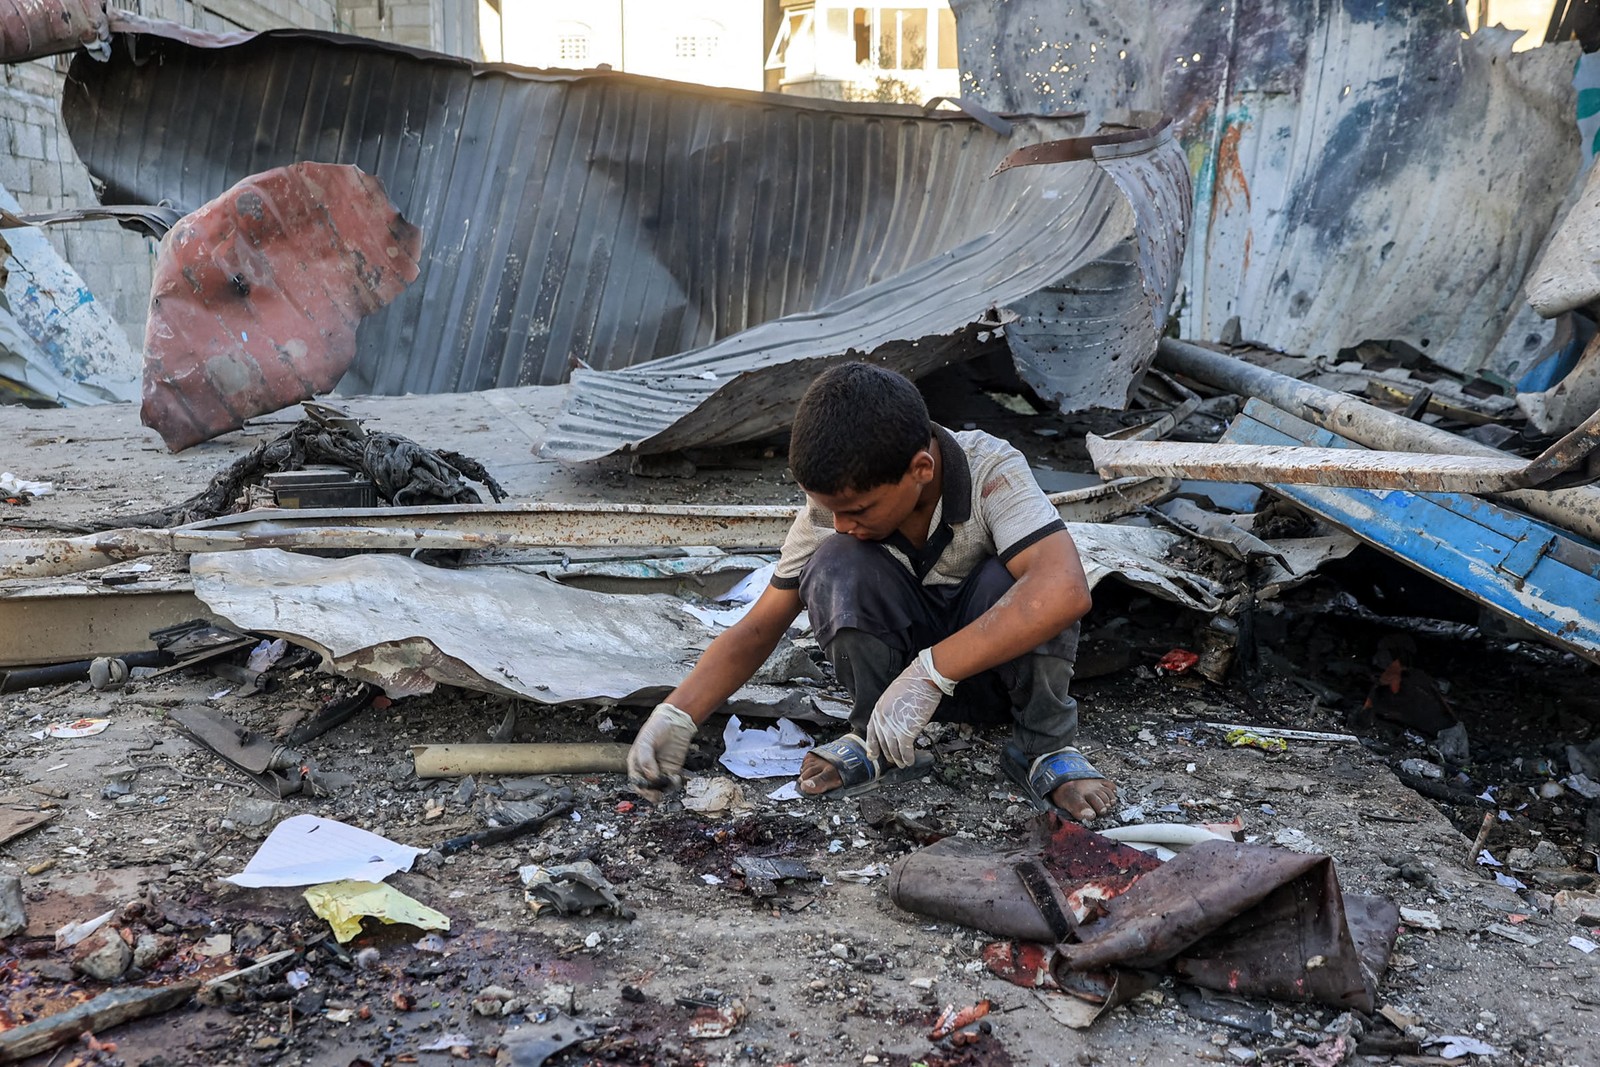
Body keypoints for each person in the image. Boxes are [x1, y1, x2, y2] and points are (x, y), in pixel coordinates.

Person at [625, 361, 1116, 823]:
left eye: (858, 510)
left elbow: (1065, 590)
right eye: (832, 510)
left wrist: (930, 672)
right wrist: (678, 713)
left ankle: (1043, 747)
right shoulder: (832, 515)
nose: (842, 523)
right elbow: (758, 627)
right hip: (892, 709)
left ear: (921, 469)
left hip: (996, 680)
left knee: (1023, 579)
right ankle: (876, 744)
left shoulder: (991, 470)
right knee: (836, 562)